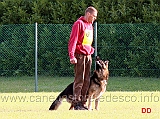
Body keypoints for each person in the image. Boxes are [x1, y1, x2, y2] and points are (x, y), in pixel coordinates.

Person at [68, 6, 98, 110]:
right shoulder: (78, 24)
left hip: (88, 55)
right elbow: (73, 41)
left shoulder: (90, 25)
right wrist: (72, 56)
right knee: (79, 80)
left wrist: (90, 50)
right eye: (94, 16)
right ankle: (76, 104)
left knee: (86, 81)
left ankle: (83, 103)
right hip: (79, 56)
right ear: (88, 14)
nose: (95, 19)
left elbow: (88, 41)